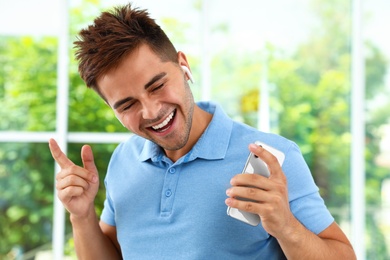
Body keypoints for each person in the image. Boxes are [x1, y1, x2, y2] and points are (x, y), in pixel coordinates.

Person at [48, 3, 356, 259]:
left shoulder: (272, 157)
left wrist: (286, 226)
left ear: (184, 66)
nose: (151, 111)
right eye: (127, 105)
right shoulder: (124, 160)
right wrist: (82, 215)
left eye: (157, 85)